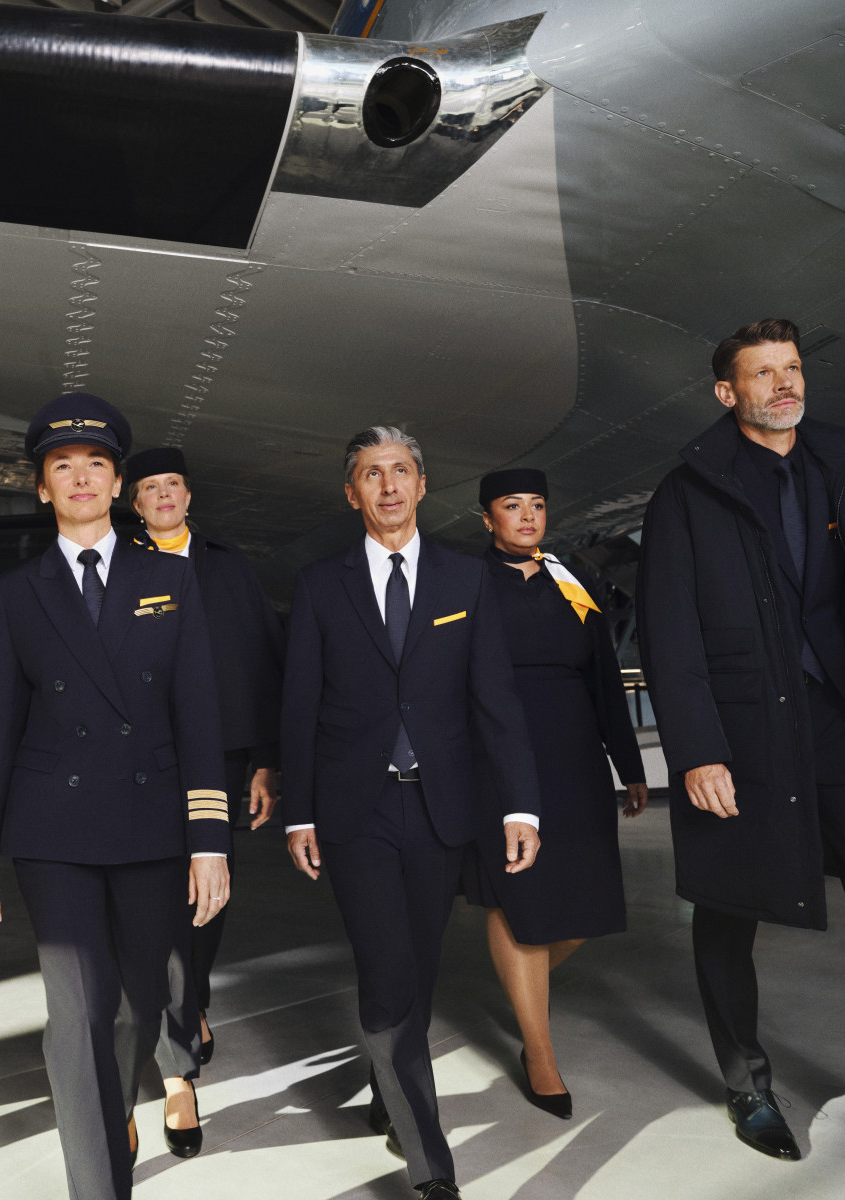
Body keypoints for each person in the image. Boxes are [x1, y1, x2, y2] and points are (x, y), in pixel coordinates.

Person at [0, 394, 231, 1200]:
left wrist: (210, 841)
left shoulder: (171, 577)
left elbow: (198, 713)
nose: (80, 477)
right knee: (78, 1017)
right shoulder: (18, 590)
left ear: (117, 485)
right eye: (62, 466)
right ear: (42, 486)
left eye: (97, 464)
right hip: (54, 830)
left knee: (138, 1008)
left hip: (152, 825)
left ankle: (114, 1119)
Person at [637, 318, 845, 1160]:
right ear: (728, 392)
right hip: (743, 735)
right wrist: (696, 750)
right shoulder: (687, 494)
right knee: (727, 911)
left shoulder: (841, 471)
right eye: (764, 373)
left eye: (792, 369)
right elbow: (669, 631)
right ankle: (747, 1085)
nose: (785, 384)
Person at [282, 426, 541, 1200]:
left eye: (401, 471)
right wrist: (299, 814)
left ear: (423, 486)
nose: (388, 486)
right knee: (389, 968)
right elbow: (299, 706)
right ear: (352, 493)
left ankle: (387, 1086)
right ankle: (431, 1165)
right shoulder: (320, 585)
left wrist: (521, 805)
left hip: (439, 805)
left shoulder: (467, 579)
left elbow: (496, 700)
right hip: (354, 810)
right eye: (372, 474)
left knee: (419, 966)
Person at [462, 468, 649, 1119]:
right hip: (498, 758)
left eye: (537, 505)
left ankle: (525, 986)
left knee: (590, 903)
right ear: (488, 518)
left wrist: (629, 763)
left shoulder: (574, 582)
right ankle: (538, 1052)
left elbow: (605, 680)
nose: (527, 516)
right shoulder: (465, 583)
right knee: (519, 894)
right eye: (512, 506)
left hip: (575, 758)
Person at [126, 446, 284, 1156]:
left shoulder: (229, 566)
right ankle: (178, 1072)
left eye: (173, 485)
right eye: (150, 487)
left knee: (208, 896)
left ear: (189, 496)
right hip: (140, 760)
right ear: (135, 503)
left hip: (218, 756)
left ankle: (192, 1001)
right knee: (158, 904)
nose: (163, 496)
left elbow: (262, 660)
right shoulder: (116, 565)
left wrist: (266, 761)